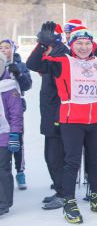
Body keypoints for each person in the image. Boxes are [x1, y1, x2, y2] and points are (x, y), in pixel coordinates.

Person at [31, 23, 97, 224]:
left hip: (95, 120)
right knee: (72, 162)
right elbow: (33, 64)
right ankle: (68, 201)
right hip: (71, 121)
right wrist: (43, 44)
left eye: (87, 43)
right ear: (72, 44)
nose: (84, 47)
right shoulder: (62, 61)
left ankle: (96, 197)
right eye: (79, 43)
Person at [26, 22, 69, 210]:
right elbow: (33, 63)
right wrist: (42, 45)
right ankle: (60, 190)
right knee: (50, 156)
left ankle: (64, 194)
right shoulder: (50, 52)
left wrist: (46, 45)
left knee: (56, 156)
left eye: (45, 39)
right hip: (49, 112)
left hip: (59, 114)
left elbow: (32, 63)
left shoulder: (61, 54)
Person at [0, 39, 32, 190]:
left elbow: (27, 85)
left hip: (15, 107)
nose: (4, 50)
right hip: (1, 109)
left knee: (17, 140)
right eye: (1, 48)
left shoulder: (19, 64)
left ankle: (20, 171)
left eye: (7, 47)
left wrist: (18, 73)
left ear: (13, 49)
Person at [0, 52, 24, 216]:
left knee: (2, 169)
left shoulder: (9, 87)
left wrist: (15, 135)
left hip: (4, 135)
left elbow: (16, 114)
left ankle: (4, 202)